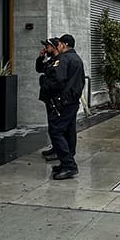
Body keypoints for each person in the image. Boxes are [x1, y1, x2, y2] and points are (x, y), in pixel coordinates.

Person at [42, 33, 86, 180]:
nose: (58, 46)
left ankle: (69, 165)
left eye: (59, 43)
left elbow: (58, 80)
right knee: (68, 131)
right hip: (72, 101)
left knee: (56, 131)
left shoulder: (64, 59)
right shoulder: (76, 58)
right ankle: (65, 162)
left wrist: (45, 85)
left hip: (63, 102)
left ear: (64, 45)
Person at [36, 38, 59, 160]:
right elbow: (39, 69)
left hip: (55, 99)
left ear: (54, 47)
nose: (45, 48)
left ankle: (59, 151)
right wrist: (41, 58)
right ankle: (54, 148)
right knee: (52, 125)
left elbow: (56, 80)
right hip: (48, 98)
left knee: (56, 126)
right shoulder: (51, 61)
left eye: (47, 46)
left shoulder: (59, 61)